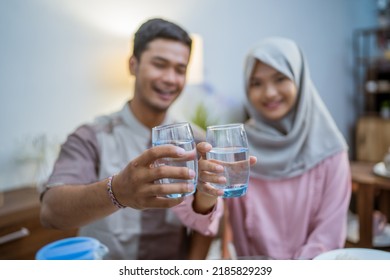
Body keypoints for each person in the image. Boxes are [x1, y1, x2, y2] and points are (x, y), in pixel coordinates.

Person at [39, 18, 222, 260]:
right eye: (159, 64)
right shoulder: (91, 136)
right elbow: (51, 212)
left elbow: (206, 221)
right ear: (133, 65)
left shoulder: (198, 140)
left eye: (180, 69)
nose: (170, 78)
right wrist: (118, 192)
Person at [183, 37, 352, 260]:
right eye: (256, 83)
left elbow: (328, 236)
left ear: (299, 81)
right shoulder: (236, 148)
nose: (270, 93)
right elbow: (212, 222)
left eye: (280, 78)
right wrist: (205, 193)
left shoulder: (330, 149)